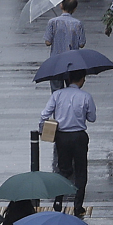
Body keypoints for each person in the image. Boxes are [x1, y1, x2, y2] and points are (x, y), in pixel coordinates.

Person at [40, 71, 97, 216]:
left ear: (68, 79)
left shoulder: (57, 95)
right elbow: (92, 118)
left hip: (62, 136)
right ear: (82, 79)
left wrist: (43, 127)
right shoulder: (86, 96)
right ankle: (78, 206)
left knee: (63, 170)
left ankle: (58, 201)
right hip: (79, 136)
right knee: (81, 171)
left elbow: (44, 114)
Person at [43, 0, 86, 92]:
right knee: (72, 88)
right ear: (74, 9)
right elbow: (81, 44)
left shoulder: (53, 22)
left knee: (56, 90)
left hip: (56, 61)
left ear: (61, 6)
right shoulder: (78, 23)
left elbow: (48, 42)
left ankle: (58, 106)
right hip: (73, 61)